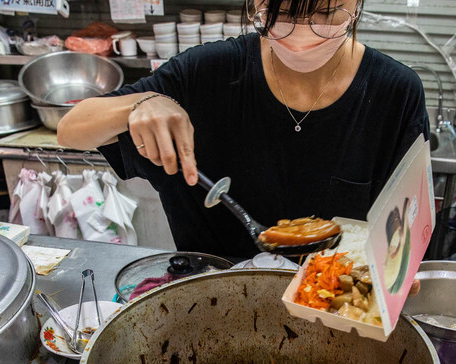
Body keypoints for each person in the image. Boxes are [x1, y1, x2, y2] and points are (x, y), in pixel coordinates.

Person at [58, 0, 429, 258]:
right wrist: (141, 103)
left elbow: (407, 225)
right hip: (210, 308)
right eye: (280, 15)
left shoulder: (394, 93)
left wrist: (398, 271)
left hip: (335, 313)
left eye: (326, 14)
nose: (302, 36)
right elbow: (71, 130)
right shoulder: (209, 72)